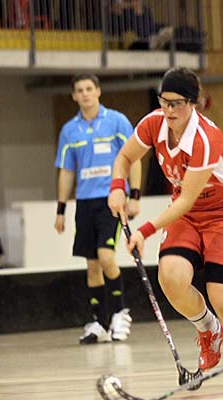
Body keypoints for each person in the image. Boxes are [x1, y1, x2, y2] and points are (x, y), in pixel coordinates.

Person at [107, 67, 223, 385]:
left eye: (176, 103)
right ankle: (209, 329)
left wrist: (145, 231)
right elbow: (125, 157)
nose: (168, 110)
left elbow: (185, 199)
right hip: (188, 217)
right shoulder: (153, 123)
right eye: (163, 101)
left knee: (222, 298)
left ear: (192, 103)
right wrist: (116, 187)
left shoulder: (206, 138)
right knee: (170, 277)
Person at [54, 73, 142, 344]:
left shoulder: (117, 121)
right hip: (85, 202)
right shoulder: (69, 130)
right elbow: (67, 171)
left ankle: (120, 313)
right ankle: (99, 323)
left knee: (106, 256)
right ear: (74, 96)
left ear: (98, 91)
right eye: (79, 90)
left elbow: (134, 159)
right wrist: (60, 210)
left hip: (111, 199)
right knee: (92, 265)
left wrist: (134, 195)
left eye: (89, 88)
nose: (85, 94)